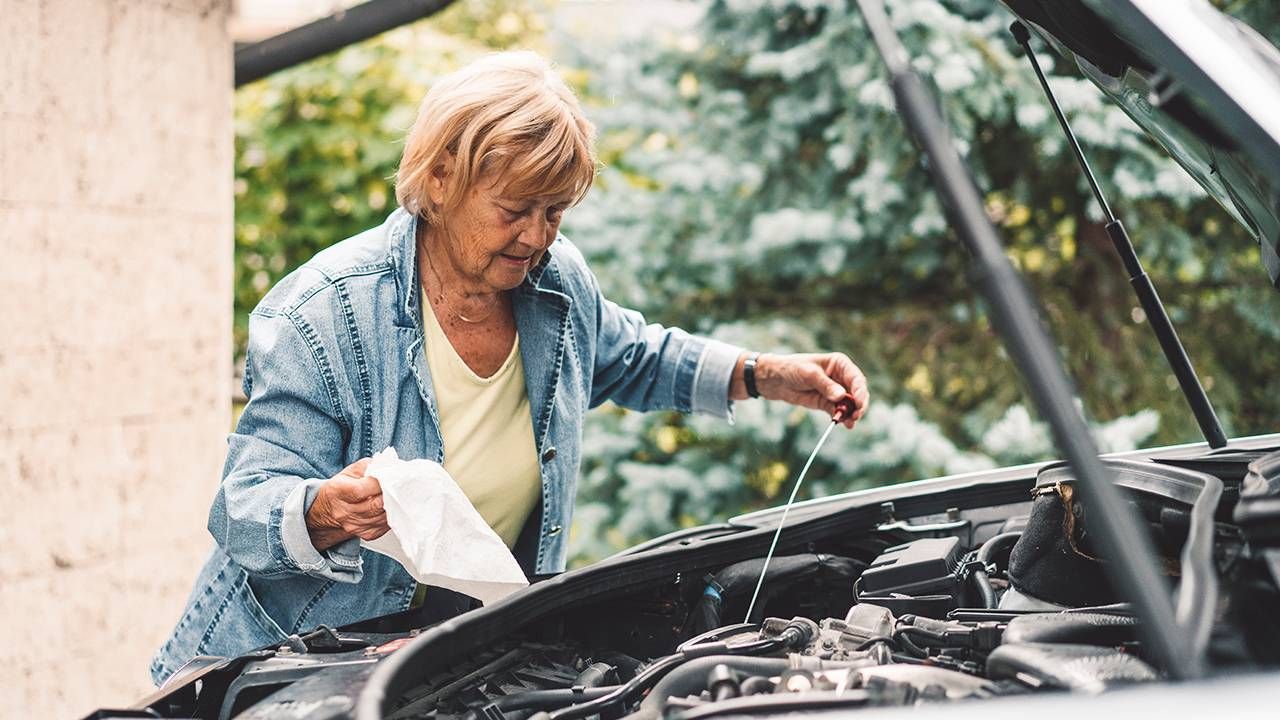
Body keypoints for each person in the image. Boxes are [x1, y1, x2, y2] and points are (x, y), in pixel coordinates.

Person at [150, 51, 868, 686]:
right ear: (439, 182)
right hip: (288, 670)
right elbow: (242, 508)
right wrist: (325, 511)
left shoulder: (555, 284)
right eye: (515, 209)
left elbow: (631, 355)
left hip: (449, 659)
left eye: (556, 211)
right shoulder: (324, 311)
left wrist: (763, 373)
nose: (536, 237)